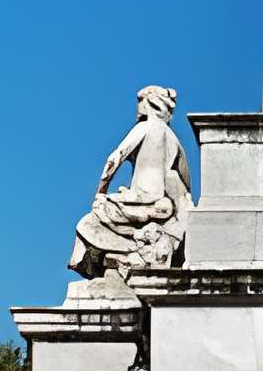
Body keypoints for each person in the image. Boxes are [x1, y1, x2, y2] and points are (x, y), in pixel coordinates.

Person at [68, 87, 196, 288]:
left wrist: (100, 192)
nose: (138, 107)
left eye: (140, 101)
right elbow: (185, 181)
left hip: (139, 201)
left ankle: (108, 271)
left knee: (88, 223)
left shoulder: (144, 128)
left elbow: (114, 159)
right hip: (163, 205)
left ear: (150, 104)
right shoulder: (174, 138)